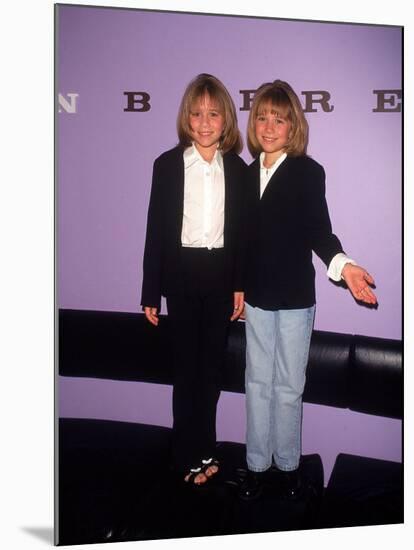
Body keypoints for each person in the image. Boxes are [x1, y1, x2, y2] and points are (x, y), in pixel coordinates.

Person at [238, 80, 377, 500]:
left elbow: (320, 232)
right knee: (256, 384)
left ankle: (288, 468)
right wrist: (237, 288)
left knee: (288, 387)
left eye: (278, 119)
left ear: (292, 125)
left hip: (297, 299)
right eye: (262, 117)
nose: (268, 126)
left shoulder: (308, 172)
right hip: (257, 298)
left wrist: (345, 265)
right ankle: (257, 466)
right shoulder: (244, 174)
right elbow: (240, 240)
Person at [141, 73, 247, 485]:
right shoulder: (167, 165)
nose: (205, 122)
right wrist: (150, 290)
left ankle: (205, 450)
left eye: (213, 114)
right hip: (181, 279)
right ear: (187, 118)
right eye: (197, 114)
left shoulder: (237, 169)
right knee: (186, 373)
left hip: (220, 279)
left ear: (225, 120)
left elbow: (240, 235)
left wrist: (240, 283)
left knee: (211, 375)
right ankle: (185, 456)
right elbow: (155, 230)